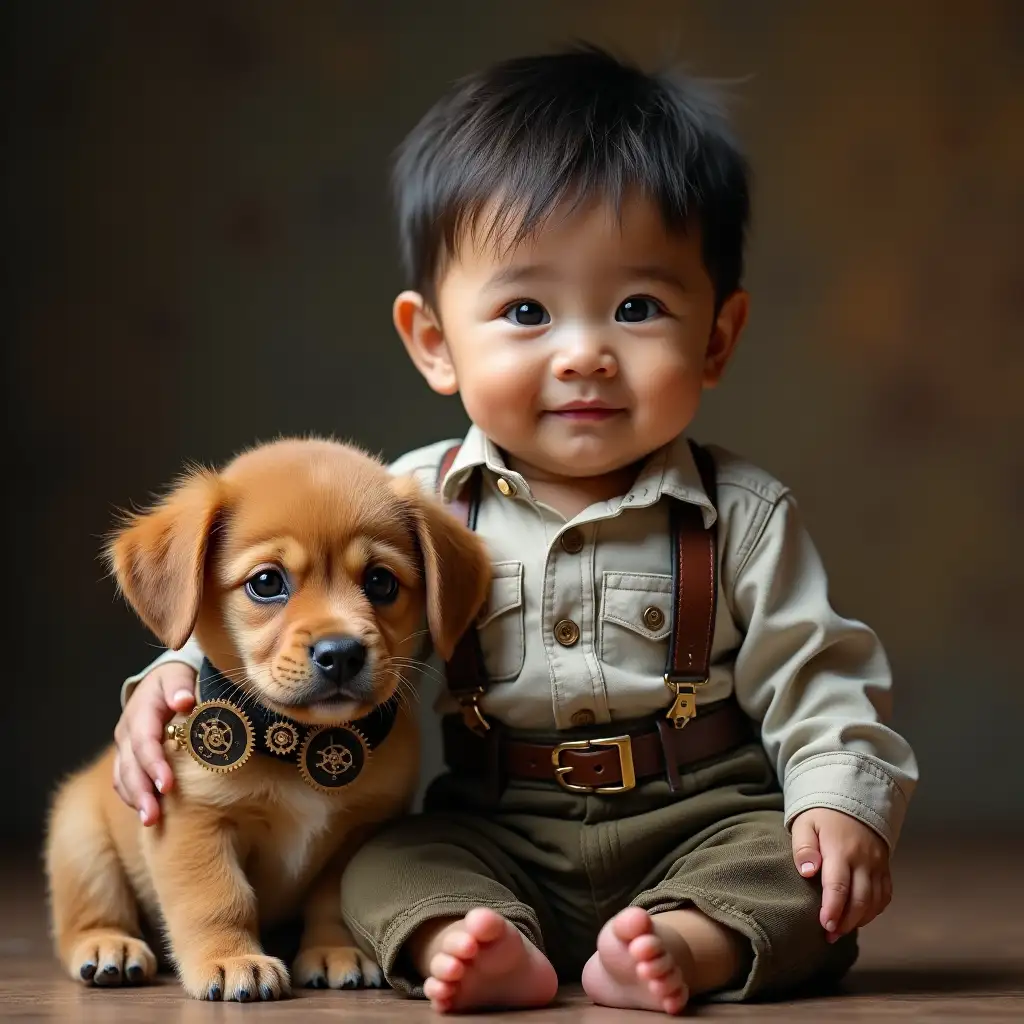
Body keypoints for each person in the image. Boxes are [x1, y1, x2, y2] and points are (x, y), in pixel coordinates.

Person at [110, 45, 918, 1015]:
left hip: (699, 817)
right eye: (527, 309)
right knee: (382, 866)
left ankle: (682, 944)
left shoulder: (741, 516)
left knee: (796, 880)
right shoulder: (402, 501)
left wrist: (837, 800)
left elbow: (817, 673)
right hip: (497, 823)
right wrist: (163, 682)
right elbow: (255, 599)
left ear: (716, 338)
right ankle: (473, 940)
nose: (584, 354)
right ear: (434, 343)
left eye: (636, 308)